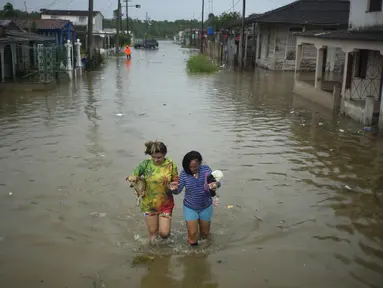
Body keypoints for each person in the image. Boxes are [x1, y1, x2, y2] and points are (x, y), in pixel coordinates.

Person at [127, 141, 178, 243]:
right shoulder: (145, 164)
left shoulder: (171, 164)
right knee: (153, 233)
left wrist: (174, 187)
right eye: (153, 157)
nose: (155, 160)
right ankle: (154, 256)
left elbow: (176, 183)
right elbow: (133, 176)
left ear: (164, 154)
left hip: (165, 203)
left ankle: (165, 251)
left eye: (159, 157)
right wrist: (134, 181)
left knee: (164, 233)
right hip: (149, 203)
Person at [169, 151, 221, 246]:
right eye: (191, 167)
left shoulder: (206, 170)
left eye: (195, 166)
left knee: (205, 235)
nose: (193, 169)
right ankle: (192, 255)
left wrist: (215, 184)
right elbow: (177, 191)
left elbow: (217, 183)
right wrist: (173, 188)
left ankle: (203, 253)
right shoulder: (184, 174)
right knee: (192, 234)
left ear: (200, 163)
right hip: (190, 207)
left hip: (206, 206)